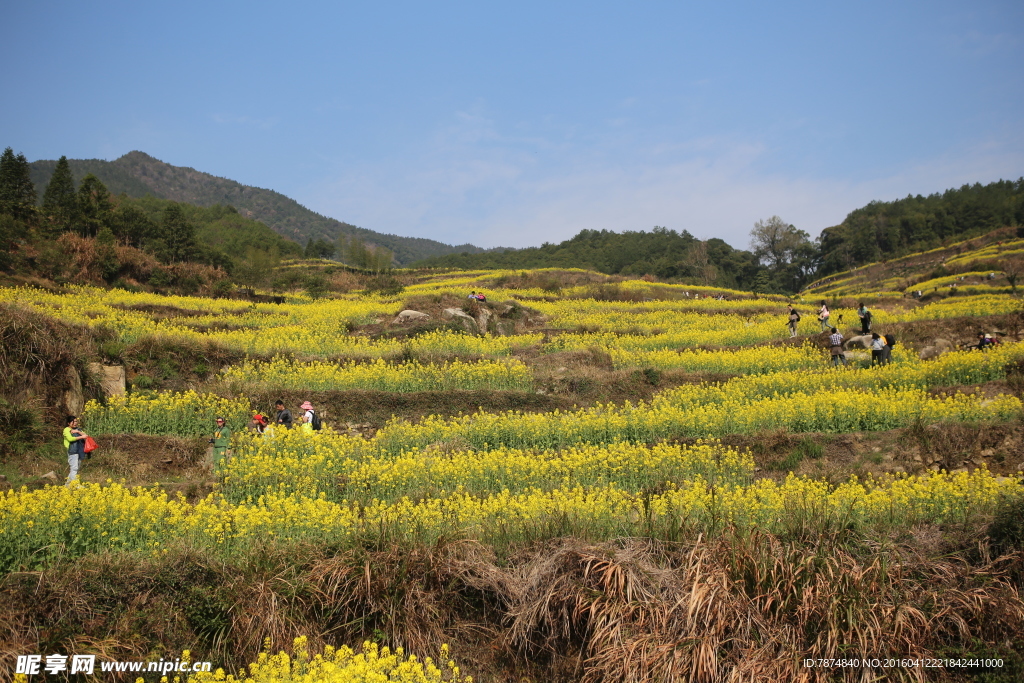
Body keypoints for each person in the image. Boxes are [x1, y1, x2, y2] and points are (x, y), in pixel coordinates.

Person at [63, 415, 88, 485]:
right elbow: (70, 439)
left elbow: (86, 436)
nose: (75, 423)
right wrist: (81, 437)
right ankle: (76, 485)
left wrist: (79, 432)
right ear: (68, 423)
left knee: (75, 469)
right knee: (74, 468)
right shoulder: (66, 430)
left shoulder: (78, 429)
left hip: (80, 450)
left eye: (76, 421)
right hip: (73, 451)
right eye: (72, 421)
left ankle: (67, 486)